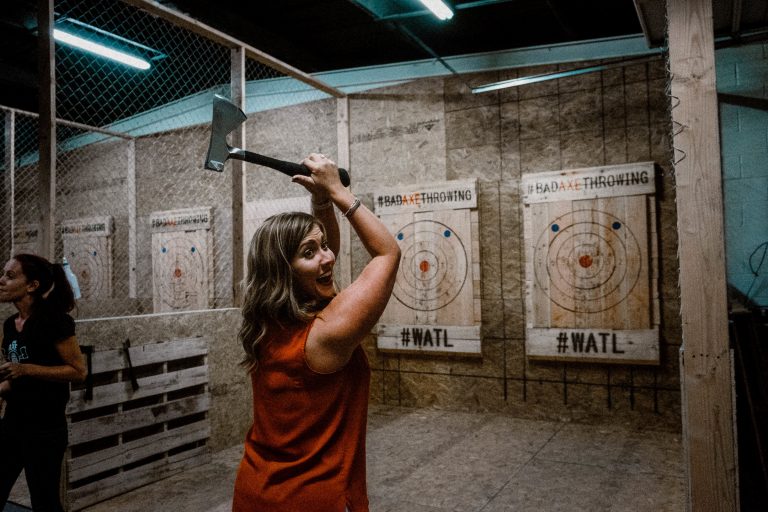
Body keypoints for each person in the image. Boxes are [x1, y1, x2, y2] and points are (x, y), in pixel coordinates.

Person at [232, 153, 401, 512]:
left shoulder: (270, 321)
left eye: (323, 245)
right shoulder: (325, 334)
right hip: (313, 498)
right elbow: (387, 254)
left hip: (255, 490)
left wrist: (320, 202)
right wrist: (339, 192)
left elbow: (322, 265)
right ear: (284, 272)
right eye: (310, 252)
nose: (328, 258)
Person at [0, 253, 87, 512]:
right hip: (13, 424)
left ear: (32, 286)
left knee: (45, 502)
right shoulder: (9, 325)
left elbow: (77, 371)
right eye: (3, 273)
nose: (1, 280)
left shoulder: (55, 321)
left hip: (45, 430)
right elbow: (15, 379)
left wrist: (27, 369)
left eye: (10, 275)